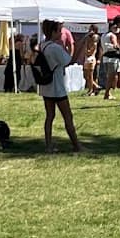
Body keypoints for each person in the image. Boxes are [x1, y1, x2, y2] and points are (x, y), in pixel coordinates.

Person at [38, 19, 82, 154]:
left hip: (46, 85)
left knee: (49, 116)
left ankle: (48, 145)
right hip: (57, 86)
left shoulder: (42, 45)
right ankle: (76, 146)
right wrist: (80, 46)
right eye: (59, 30)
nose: (61, 32)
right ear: (53, 31)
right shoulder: (54, 48)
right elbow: (69, 61)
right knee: (68, 116)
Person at [101, 22, 120, 100]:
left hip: (105, 57)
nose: (116, 29)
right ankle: (107, 93)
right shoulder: (112, 35)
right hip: (112, 58)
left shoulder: (103, 35)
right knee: (111, 76)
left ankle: (108, 92)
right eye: (115, 27)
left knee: (109, 76)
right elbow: (116, 46)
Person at [82, 24, 101, 95]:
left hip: (91, 58)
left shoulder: (95, 37)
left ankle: (91, 90)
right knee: (85, 75)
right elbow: (85, 45)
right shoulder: (88, 38)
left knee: (90, 75)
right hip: (87, 57)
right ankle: (96, 86)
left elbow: (94, 47)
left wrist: (89, 52)